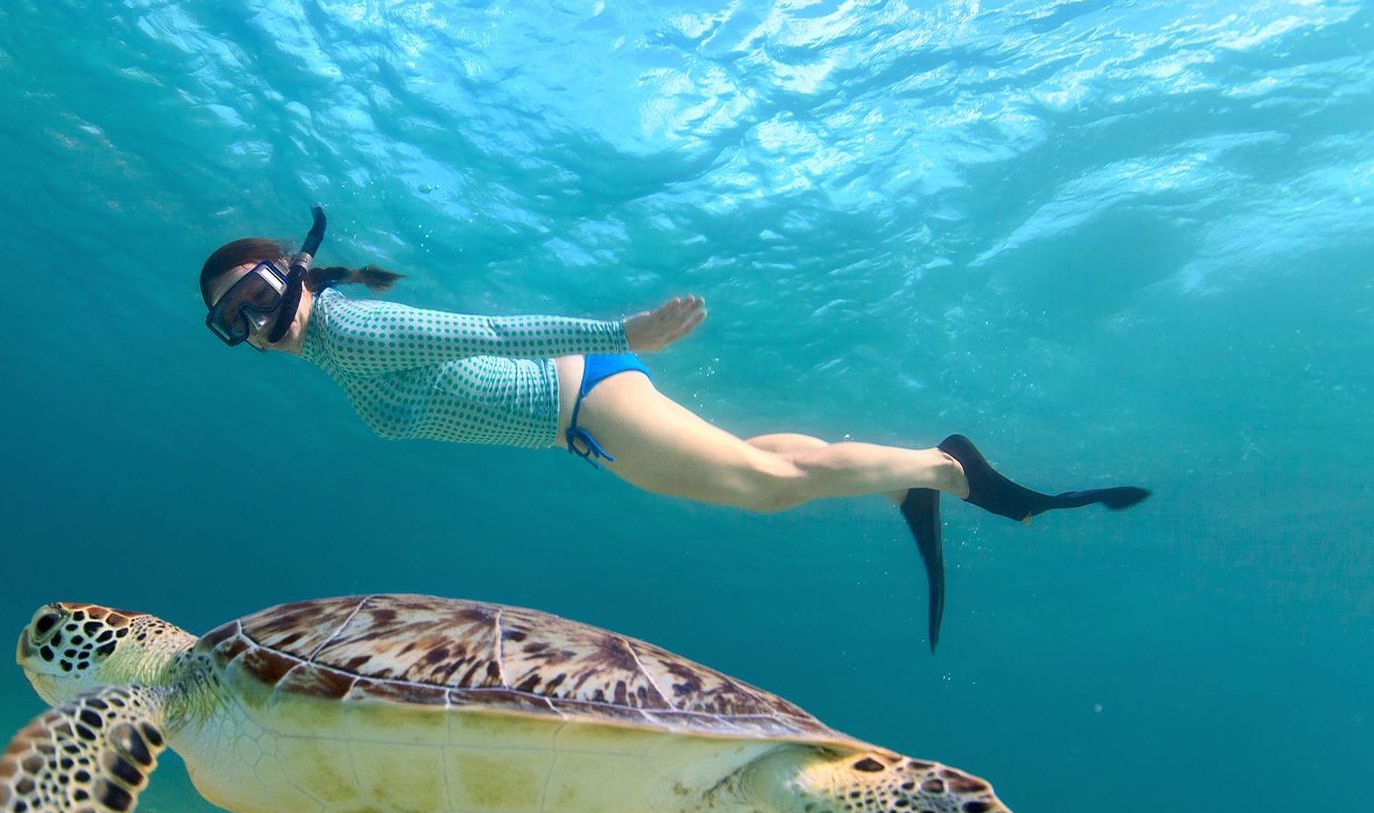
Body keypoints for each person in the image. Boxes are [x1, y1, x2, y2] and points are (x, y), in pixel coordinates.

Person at [199, 207, 1150, 648]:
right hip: (580, 408)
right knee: (764, 467)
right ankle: (917, 472)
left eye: (248, 296)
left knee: (763, 492)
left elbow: (486, 329)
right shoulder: (333, 344)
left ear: (288, 272)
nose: (251, 325)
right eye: (228, 322)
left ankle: (945, 472)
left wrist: (626, 330)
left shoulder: (349, 327)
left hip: (580, 400)